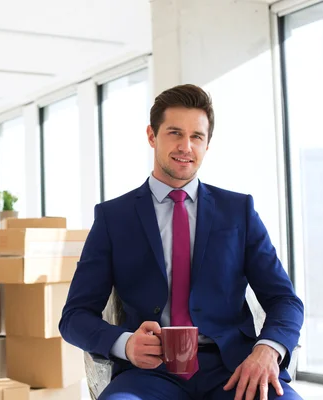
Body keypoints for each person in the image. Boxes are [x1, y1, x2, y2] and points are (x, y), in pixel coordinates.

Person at [59, 84, 304, 400]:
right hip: (147, 375)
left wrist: (268, 350)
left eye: (197, 137)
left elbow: (284, 300)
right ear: (152, 136)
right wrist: (125, 343)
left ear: (207, 143)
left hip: (233, 368)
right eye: (174, 133)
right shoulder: (113, 217)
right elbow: (74, 316)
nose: (186, 146)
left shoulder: (237, 211)